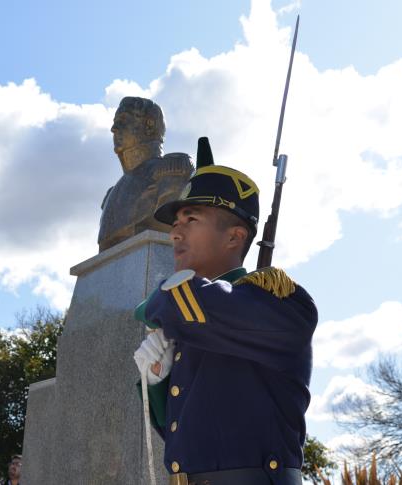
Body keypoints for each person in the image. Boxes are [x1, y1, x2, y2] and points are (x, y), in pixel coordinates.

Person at [133, 137, 317, 485]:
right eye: (175, 223)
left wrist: (153, 305)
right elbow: (184, 435)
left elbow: (172, 301)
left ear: (234, 238)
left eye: (191, 219)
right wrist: (157, 382)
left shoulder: (283, 305)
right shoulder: (198, 322)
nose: (175, 233)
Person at [97, 96, 192, 251]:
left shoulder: (172, 171)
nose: (114, 128)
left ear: (149, 126)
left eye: (123, 119)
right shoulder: (110, 195)